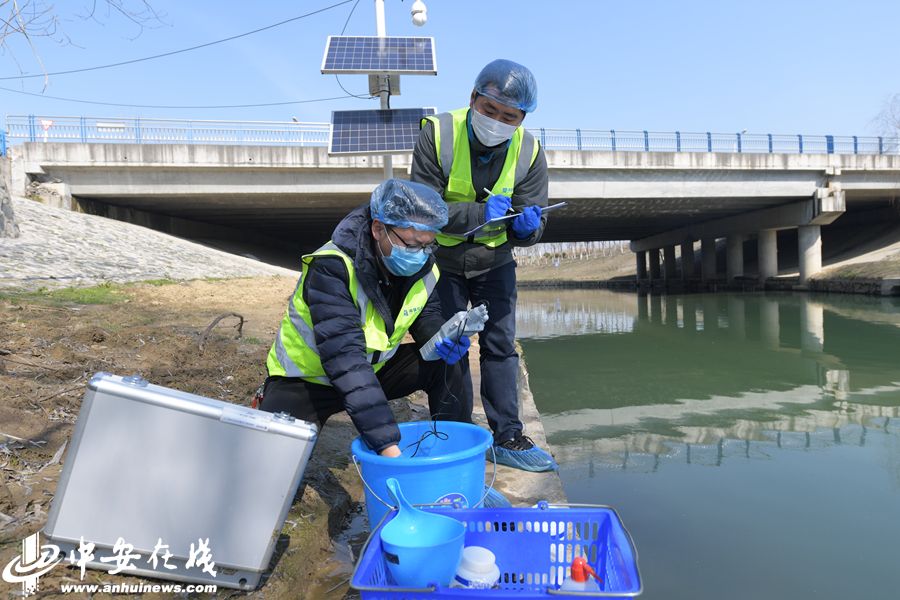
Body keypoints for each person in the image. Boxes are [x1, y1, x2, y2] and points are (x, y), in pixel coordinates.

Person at [410, 58, 558, 472]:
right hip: (442, 257)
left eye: (509, 117)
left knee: (499, 347)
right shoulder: (437, 133)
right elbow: (422, 209)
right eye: (489, 110)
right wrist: (478, 213)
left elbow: (534, 220)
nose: (496, 121)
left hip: (494, 261)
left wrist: (528, 228)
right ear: (473, 98)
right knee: (450, 344)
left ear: (521, 119)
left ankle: (508, 434)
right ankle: (455, 432)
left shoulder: (529, 149)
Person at [258, 179, 473, 457]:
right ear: (378, 229)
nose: (418, 254)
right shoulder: (332, 267)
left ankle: (452, 452)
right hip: (308, 381)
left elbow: (426, 314)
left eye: (426, 245)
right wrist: (388, 446)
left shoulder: (424, 266)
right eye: (410, 243)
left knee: (447, 361)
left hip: (376, 370)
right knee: (275, 466)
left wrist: (441, 336)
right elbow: (345, 358)